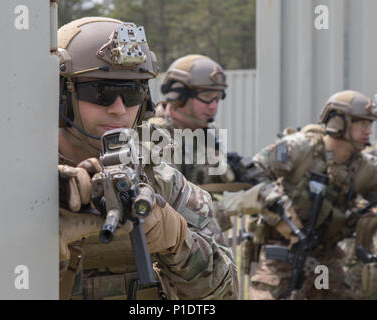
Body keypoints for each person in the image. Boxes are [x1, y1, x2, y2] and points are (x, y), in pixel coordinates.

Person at [56, 17, 238, 300]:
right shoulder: (11, 183)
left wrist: (177, 240)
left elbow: (227, 293)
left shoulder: (162, 182)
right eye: (100, 92)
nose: (119, 109)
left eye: (131, 92)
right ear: (60, 94)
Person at [222, 90, 377, 299]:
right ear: (338, 123)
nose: (369, 131)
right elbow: (254, 170)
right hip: (281, 253)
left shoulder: (364, 168)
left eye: (370, 125)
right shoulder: (300, 147)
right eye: (363, 124)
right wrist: (274, 200)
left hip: (325, 259)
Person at [149, 54, 252, 232]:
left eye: (217, 98)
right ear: (179, 95)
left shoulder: (206, 135)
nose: (213, 106)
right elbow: (168, 210)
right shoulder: (155, 136)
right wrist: (236, 205)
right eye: (206, 96)